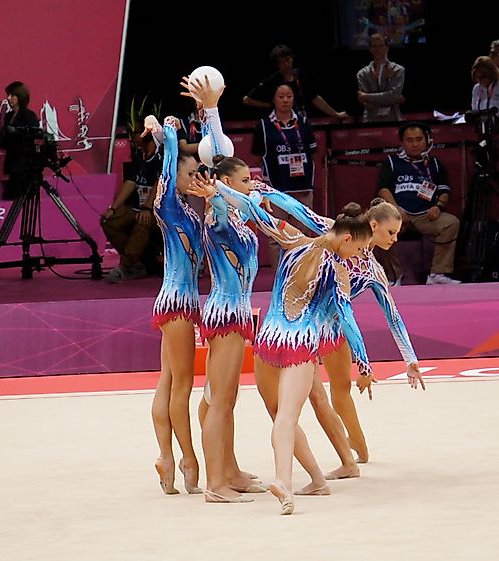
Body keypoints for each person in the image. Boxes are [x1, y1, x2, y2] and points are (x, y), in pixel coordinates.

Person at [208, 181, 375, 515]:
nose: (358, 258)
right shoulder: (336, 270)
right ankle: (287, 482)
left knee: (279, 415)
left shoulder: (293, 239)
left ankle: (308, 480)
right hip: (298, 344)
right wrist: (364, 362)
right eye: (359, 250)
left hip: (268, 339)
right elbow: (346, 318)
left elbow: (257, 211)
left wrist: (215, 189)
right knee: (285, 416)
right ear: (346, 239)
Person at [255, 189, 427, 464]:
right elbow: (298, 210)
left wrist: (410, 359)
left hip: (334, 329)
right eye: (391, 232)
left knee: (339, 391)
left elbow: (392, 316)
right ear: (373, 226)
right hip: (304, 325)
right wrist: (265, 191)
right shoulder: (335, 229)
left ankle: (358, 449)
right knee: (313, 398)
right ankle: (344, 457)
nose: (394, 240)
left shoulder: (373, 271)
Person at [181, 76, 264, 503]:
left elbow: (222, 160)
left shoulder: (236, 214)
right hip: (226, 314)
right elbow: (220, 159)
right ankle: (215, 484)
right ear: (226, 184)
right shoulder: (218, 211)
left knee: (222, 399)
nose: (252, 186)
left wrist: (210, 109)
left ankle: (228, 469)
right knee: (221, 401)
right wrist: (210, 110)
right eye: (246, 180)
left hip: (233, 312)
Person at [147, 115, 203, 496]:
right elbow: (167, 174)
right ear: (177, 178)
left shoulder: (189, 211)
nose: (199, 176)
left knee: (167, 382)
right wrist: (169, 137)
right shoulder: (168, 204)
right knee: (182, 385)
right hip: (179, 303)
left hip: (176, 300)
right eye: (193, 172)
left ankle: (165, 457)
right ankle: (187, 458)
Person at [375, 121, 461, 285]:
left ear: (427, 140)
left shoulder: (435, 164)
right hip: (398, 214)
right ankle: (394, 276)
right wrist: (395, 210)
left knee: (451, 223)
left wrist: (439, 206)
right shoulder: (392, 162)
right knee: (378, 227)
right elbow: (383, 189)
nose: (415, 144)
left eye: (419, 139)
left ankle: (437, 274)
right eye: (410, 140)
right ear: (402, 142)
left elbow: (444, 191)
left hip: (426, 215)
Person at [252, 83, 318, 266]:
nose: (285, 100)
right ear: (273, 99)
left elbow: (312, 151)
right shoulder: (264, 126)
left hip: (302, 188)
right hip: (276, 190)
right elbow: (259, 157)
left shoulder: (303, 122)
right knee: (277, 237)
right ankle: (279, 278)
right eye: (281, 96)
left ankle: (304, 276)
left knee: (303, 235)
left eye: (289, 96)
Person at [100, 124, 162, 282]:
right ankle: (137, 262)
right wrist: (113, 208)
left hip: (157, 210)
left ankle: (126, 266)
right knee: (109, 221)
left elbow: (159, 183)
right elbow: (130, 181)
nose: (131, 137)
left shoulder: (162, 156)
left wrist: (148, 208)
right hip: (135, 207)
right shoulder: (138, 154)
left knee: (143, 221)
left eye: (134, 133)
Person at [243, 44, 348, 120]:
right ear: (277, 65)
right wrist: (271, 106)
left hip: (302, 120)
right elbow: (247, 100)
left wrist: (335, 114)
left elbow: (315, 98)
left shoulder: (300, 74)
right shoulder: (273, 80)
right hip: (281, 123)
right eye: (282, 62)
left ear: (292, 58)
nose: (286, 64)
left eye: (288, 60)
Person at [0, 81, 40, 200]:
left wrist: (15, 139)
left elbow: (34, 138)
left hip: (25, 167)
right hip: (13, 166)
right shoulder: (8, 116)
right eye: (8, 95)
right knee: (9, 198)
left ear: (20, 96)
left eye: (13, 95)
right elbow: (6, 142)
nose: (9, 98)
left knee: (21, 199)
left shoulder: (29, 115)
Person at [356, 33, 406, 122]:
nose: (377, 49)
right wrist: (393, 99)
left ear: (387, 48)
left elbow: (393, 96)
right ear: (370, 49)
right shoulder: (362, 73)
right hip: (370, 120)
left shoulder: (398, 70)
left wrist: (367, 96)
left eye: (381, 46)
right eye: (374, 46)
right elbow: (367, 103)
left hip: (393, 119)